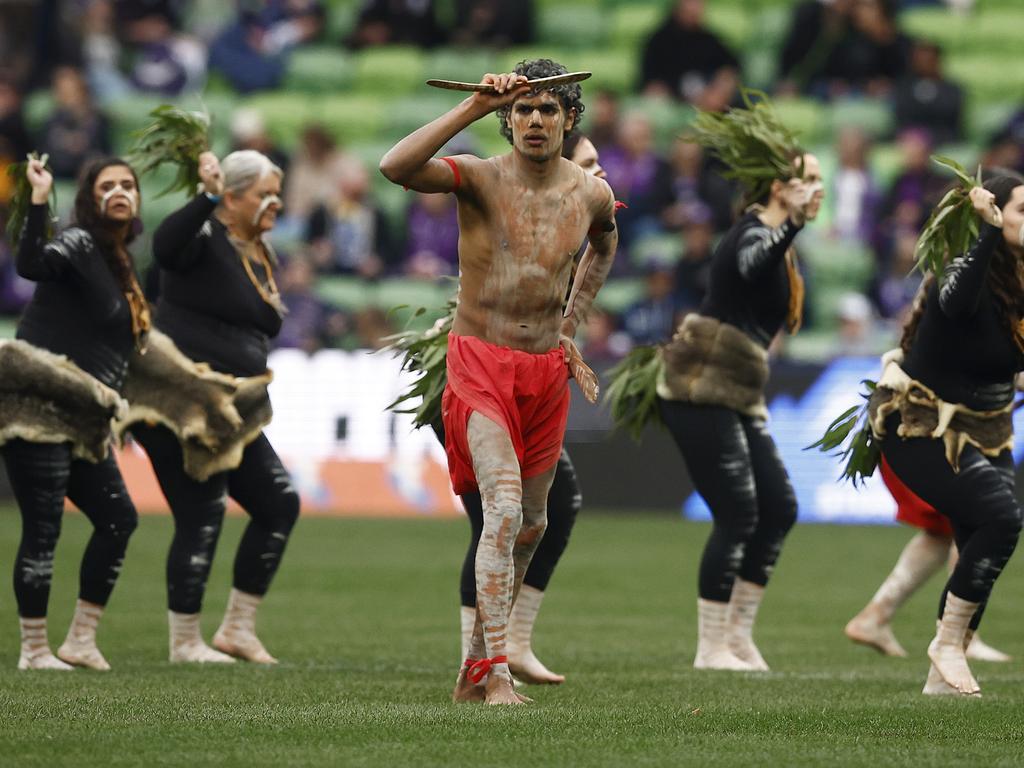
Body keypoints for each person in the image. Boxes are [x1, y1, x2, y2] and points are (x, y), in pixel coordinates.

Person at [380, 59, 618, 704]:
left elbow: (605, 240)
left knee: (534, 524)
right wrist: (472, 108)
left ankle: (474, 668)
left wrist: (572, 325)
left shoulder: (590, 191)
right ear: (508, 118)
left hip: (544, 372)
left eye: (547, 109)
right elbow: (395, 169)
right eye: (523, 109)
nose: (534, 120)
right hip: (481, 362)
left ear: (570, 119)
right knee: (505, 510)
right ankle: (495, 673)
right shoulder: (480, 177)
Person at [607, 96, 824, 671]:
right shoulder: (750, 233)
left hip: (741, 390)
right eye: (807, 181)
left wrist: (795, 230)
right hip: (701, 384)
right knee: (739, 513)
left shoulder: (781, 243)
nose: (816, 190)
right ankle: (709, 647)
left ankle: (739, 635)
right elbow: (750, 266)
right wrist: (793, 226)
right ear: (777, 188)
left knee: (779, 507)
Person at [131, 149, 300, 665]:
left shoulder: (260, 251)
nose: (275, 202)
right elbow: (164, 245)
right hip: (183, 401)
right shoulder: (204, 240)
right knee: (201, 512)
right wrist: (202, 199)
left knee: (278, 504)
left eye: (278, 192)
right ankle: (185, 643)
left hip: (236, 409)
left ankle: (237, 629)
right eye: (264, 193)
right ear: (231, 198)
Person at [865, 176, 1024, 695]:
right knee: (1001, 517)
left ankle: (941, 675)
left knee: (980, 537)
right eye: (1020, 211)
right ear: (993, 214)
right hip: (919, 424)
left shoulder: (1019, 284)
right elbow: (956, 306)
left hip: (986, 428)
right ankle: (948, 644)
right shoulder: (959, 267)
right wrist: (987, 233)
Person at [1, 156, 148, 670]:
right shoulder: (81, 241)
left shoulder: (121, 261)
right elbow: (32, 265)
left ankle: (80, 641)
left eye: (128, 184)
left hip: (82, 416)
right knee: (44, 528)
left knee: (118, 519)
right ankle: (34, 650)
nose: (119, 191)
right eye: (107, 185)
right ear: (91, 198)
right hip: (39, 404)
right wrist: (39, 201)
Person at [844, 456, 1012, 663]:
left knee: (942, 531)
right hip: (923, 444)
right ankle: (961, 637)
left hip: (903, 445)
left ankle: (873, 618)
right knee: (975, 518)